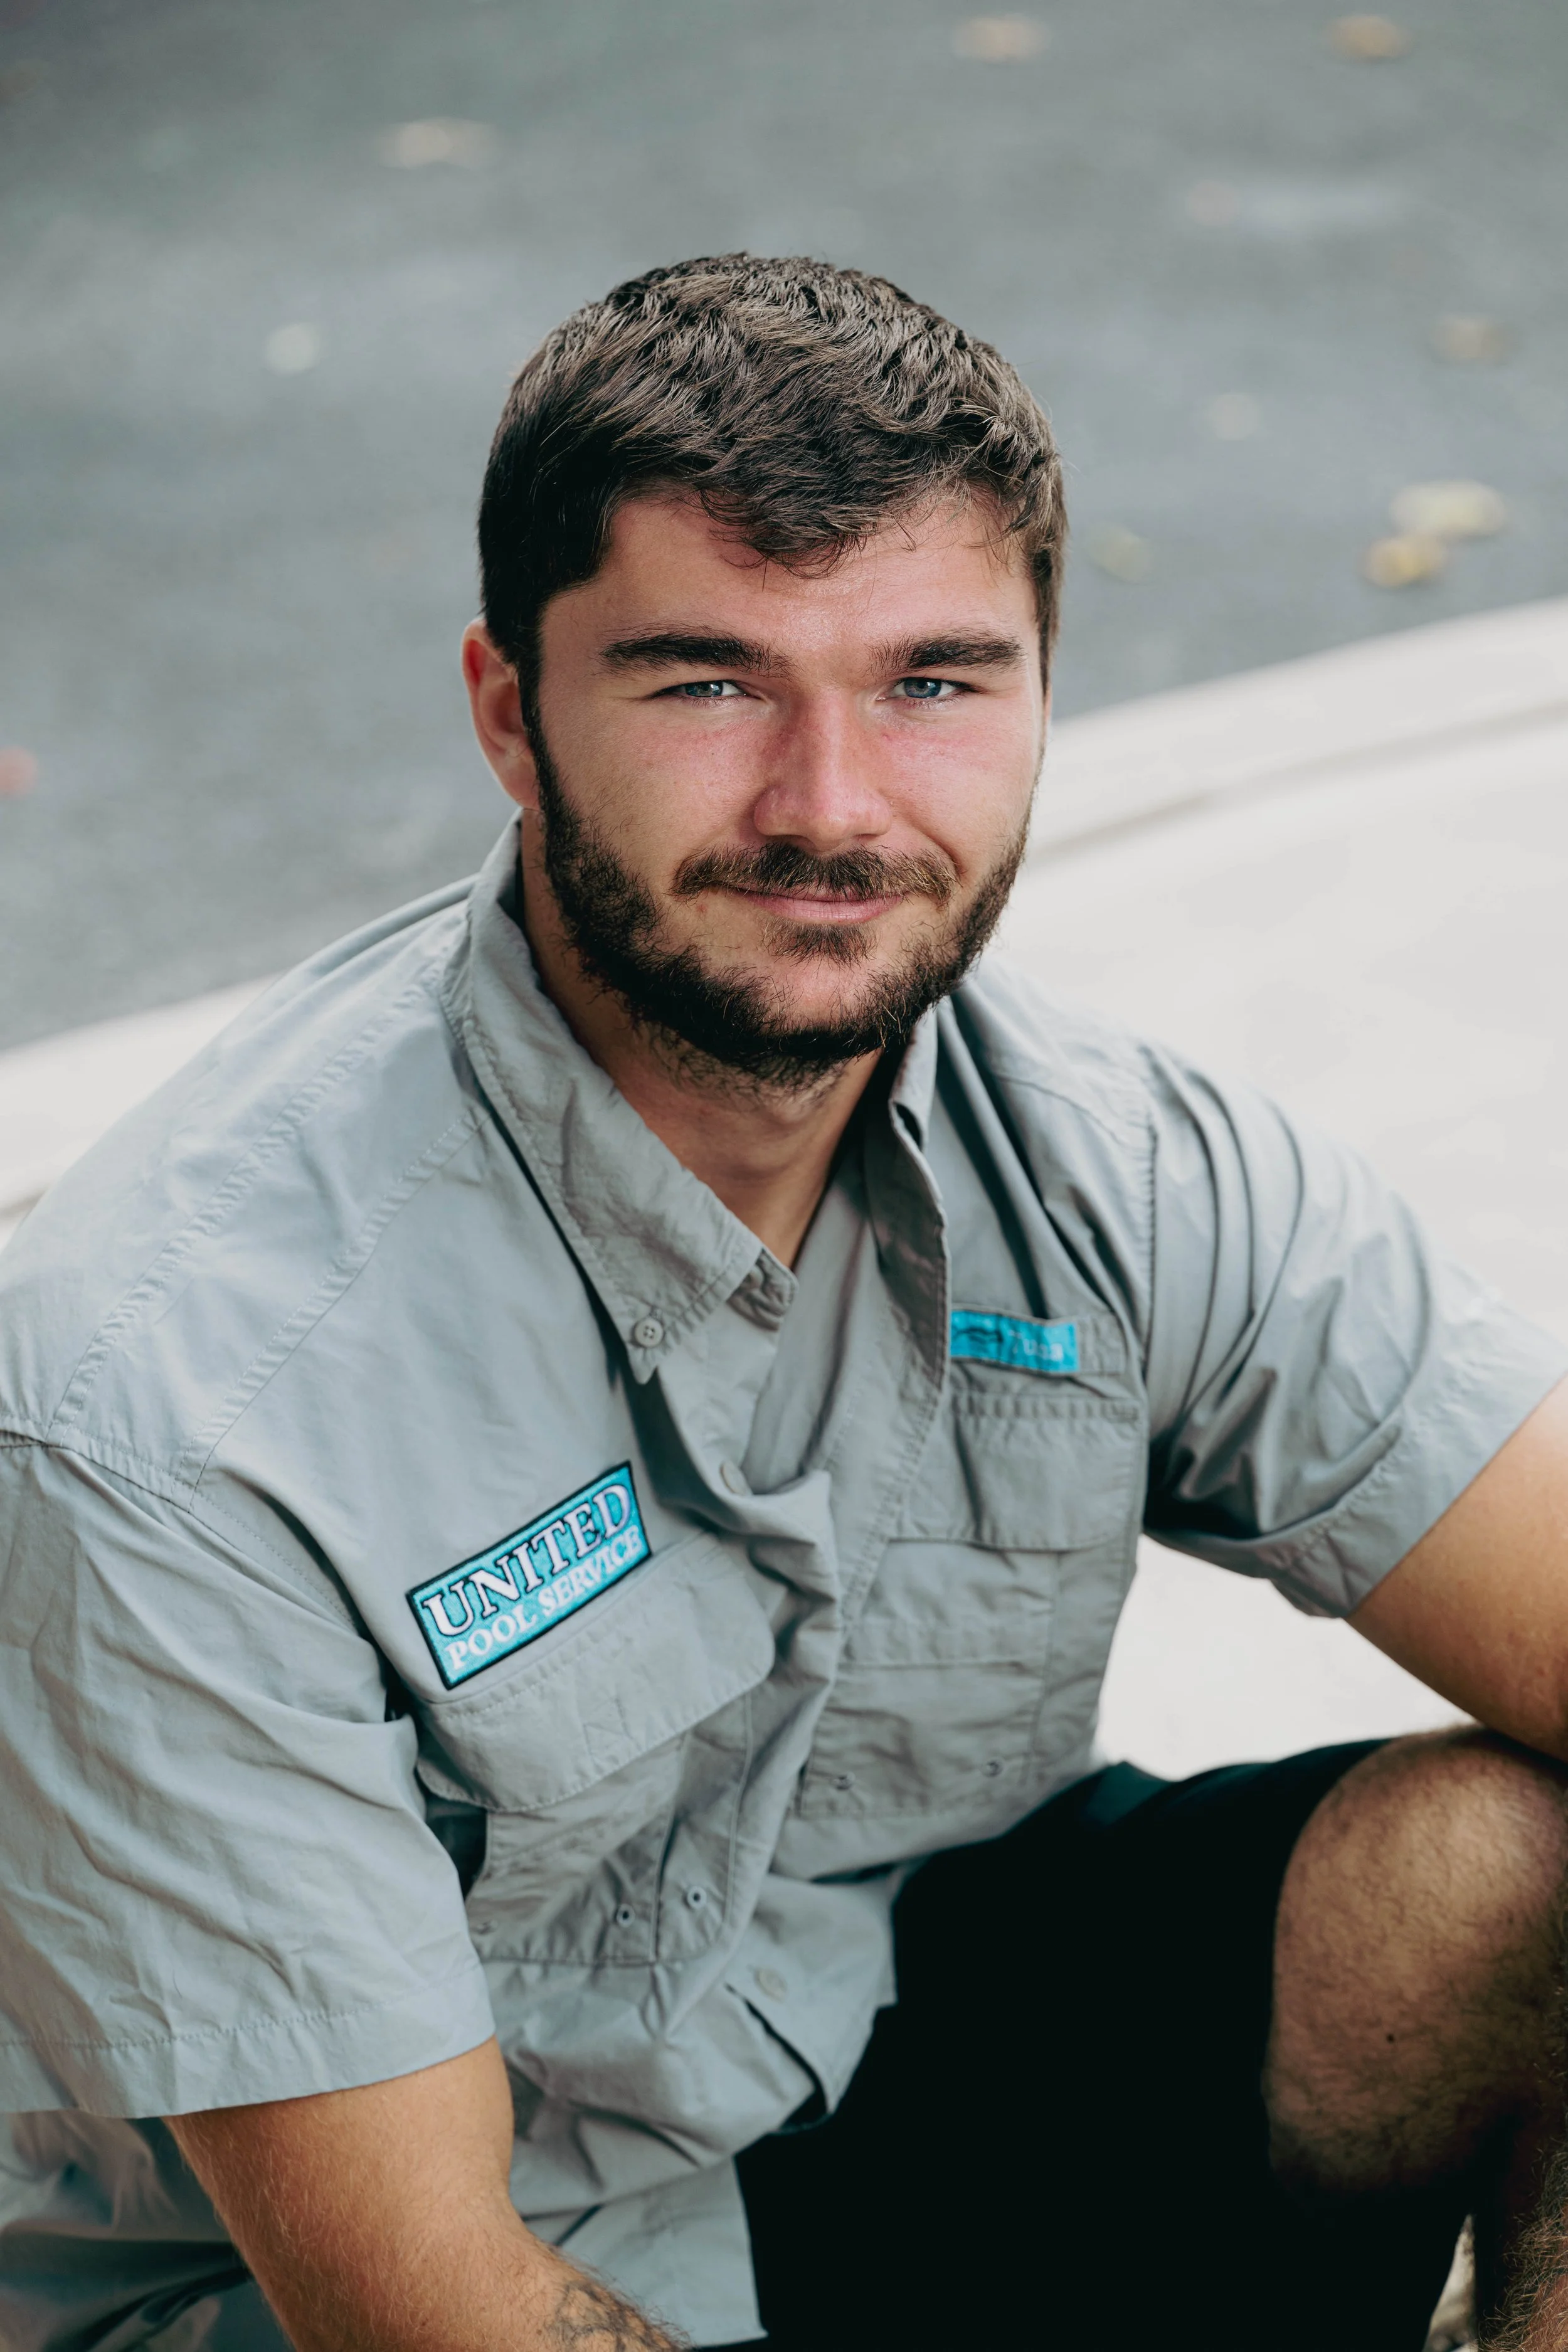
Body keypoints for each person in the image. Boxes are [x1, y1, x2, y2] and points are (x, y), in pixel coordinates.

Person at [1, 253, 1567, 2352]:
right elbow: (434, 2311)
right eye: (706, 680)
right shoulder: (166, 1404)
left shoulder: (1121, 1163)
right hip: (375, 2288)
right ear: (507, 711)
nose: (832, 805)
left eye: (932, 679)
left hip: (888, 2073)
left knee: (1514, 1870)